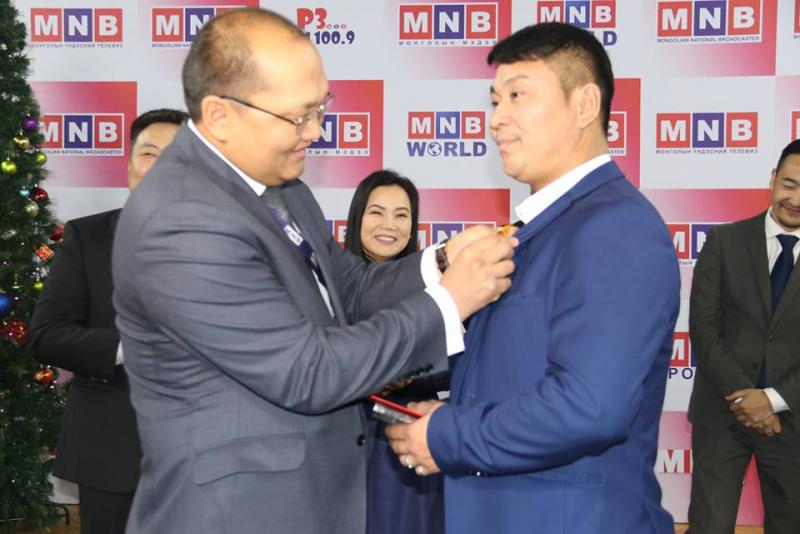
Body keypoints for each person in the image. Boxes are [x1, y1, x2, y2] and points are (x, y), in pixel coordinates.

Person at [111, 9, 516, 534]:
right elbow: (309, 372)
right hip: (239, 514)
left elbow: (349, 289)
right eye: (297, 117)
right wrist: (450, 302)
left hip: (308, 501)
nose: (316, 132)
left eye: (321, 107)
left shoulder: (281, 186)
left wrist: (441, 264)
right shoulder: (182, 219)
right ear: (220, 115)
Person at [386, 22, 681, 534]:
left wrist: (449, 435)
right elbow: (519, 369)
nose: (497, 119)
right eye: (494, 101)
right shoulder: (545, 227)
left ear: (585, 105)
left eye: (518, 96)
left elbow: (589, 406)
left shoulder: (615, 227)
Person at [27, 108, 187, 534]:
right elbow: (47, 334)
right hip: (112, 449)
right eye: (149, 153)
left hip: (207, 454)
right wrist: (127, 348)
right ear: (129, 164)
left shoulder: (230, 242)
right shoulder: (88, 237)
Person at [687, 138, 800, 534]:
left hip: (792, 417)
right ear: (773, 178)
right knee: (710, 526)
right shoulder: (724, 242)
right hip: (722, 413)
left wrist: (771, 400)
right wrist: (746, 399)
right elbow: (704, 327)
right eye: (789, 184)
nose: (795, 199)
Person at [343, 170, 445, 534]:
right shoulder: (331, 287)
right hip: (346, 439)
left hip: (411, 438)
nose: (389, 225)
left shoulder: (437, 288)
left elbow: (455, 362)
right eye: (377, 212)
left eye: (401, 215)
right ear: (358, 217)